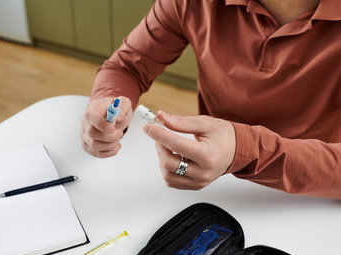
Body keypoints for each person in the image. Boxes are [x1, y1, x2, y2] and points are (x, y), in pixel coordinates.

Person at [80, 0, 341, 199]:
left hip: (315, 187)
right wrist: (107, 104)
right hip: (211, 178)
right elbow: (127, 67)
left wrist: (245, 151)